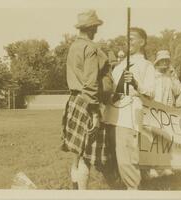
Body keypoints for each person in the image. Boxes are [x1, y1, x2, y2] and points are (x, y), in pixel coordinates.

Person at [61, 10, 113, 190]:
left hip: (76, 100)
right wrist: (94, 112)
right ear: (91, 27)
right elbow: (90, 82)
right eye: (95, 27)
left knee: (79, 151)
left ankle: (77, 187)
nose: (97, 30)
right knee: (87, 152)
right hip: (87, 102)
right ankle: (82, 191)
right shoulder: (90, 48)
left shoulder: (74, 46)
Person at [103, 27, 155, 190]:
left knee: (127, 161)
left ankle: (134, 191)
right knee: (108, 159)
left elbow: (151, 94)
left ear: (142, 42)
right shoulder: (118, 66)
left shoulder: (146, 65)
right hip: (110, 115)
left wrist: (135, 83)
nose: (128, 42)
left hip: (128, 118)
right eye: (127, 39)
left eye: (132, 38)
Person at [148, 50, 181, 178]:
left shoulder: (170, 77)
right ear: (158, 62)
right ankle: (152, 167)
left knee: (166, 139)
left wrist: (173, 76)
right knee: (153, 139)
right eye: (162, 60)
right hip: (154, 111)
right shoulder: (152, 76)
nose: (165, 63)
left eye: (167, 61)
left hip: (167, 111)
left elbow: (177, 92)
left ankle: (165, 166)